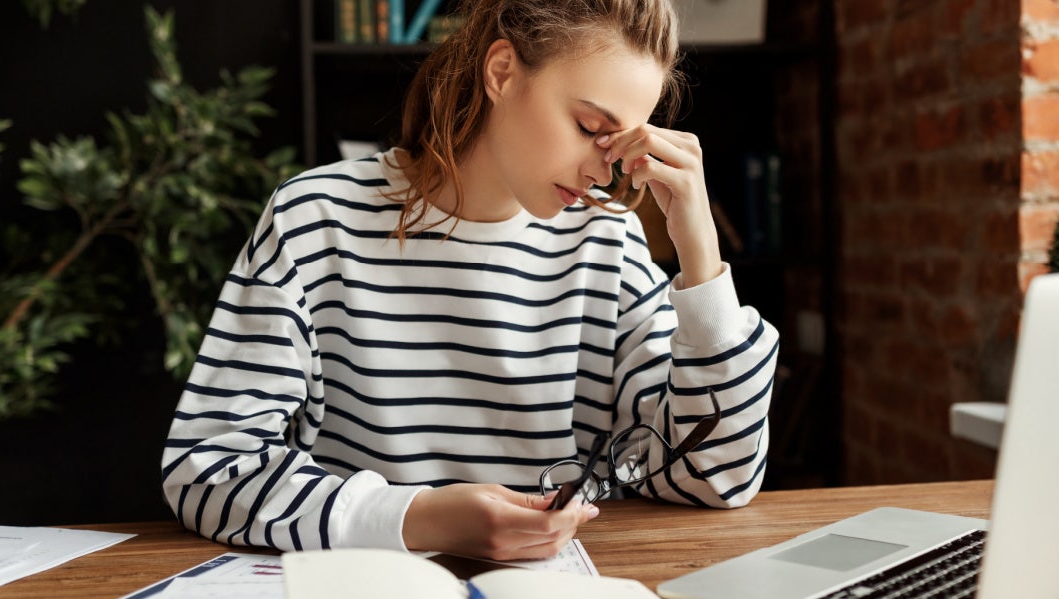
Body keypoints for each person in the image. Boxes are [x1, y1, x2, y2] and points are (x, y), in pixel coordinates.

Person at [161, 0, 779, 562]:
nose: (603, 168)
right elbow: (208, 468)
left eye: (618, 144)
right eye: (591, 127)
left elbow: (715, 475)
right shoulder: (316, 221)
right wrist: (415, 518)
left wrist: (701, 258)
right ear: (503, 71)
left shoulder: (606, 244)